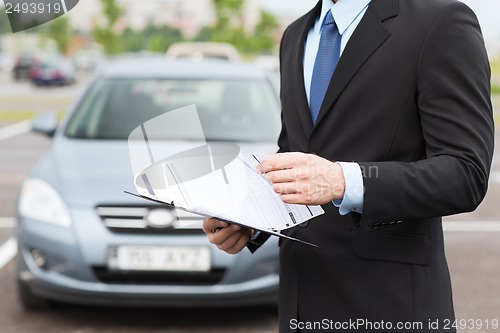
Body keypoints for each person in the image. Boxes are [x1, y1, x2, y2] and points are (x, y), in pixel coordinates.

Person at [203, 0, 494, 332]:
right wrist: (250, 219)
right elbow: (295, 155)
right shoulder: (295, 35)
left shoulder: (439, 21)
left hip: (391, 307)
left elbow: (465, 172)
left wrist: (344, 180)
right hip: (300, 304)